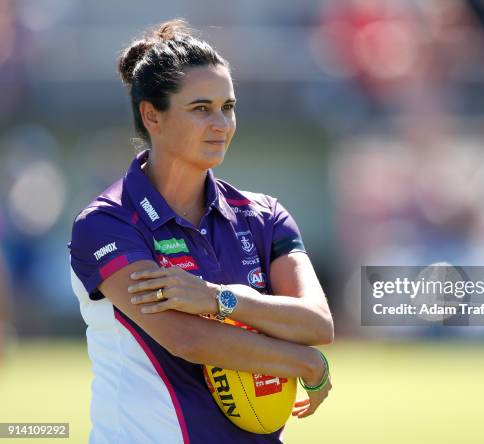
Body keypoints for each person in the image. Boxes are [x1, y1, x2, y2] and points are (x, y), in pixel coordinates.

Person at [68, 19, 333, 444]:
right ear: (152, 115)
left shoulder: (264, 215)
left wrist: (216, 297)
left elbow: (317, 323)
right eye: (200, 108)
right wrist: (306, 364)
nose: (221, 124)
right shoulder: (106, 223)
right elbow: (185, 338)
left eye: (227, 107)